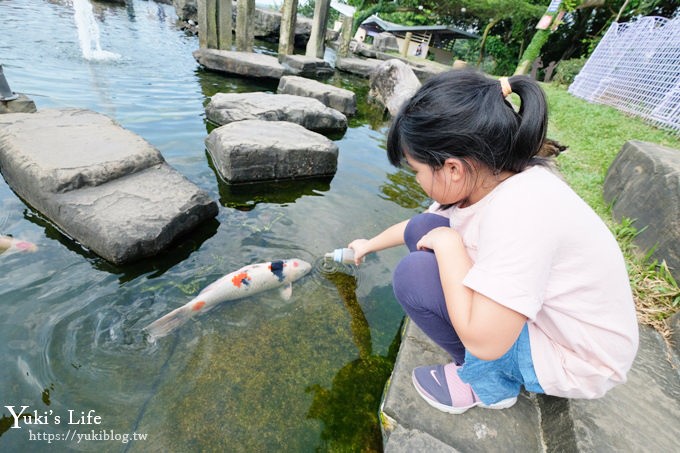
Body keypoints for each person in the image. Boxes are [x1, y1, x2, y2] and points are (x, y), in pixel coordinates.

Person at [348, 69, 639, 414]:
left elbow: (485, 341)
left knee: (415, 275)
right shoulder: (491, 176)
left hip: (576, 356)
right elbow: (418, 227)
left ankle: (487, 384)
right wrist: (368, 244)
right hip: (549, 322)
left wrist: (450, 247)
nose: (417, 181)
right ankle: (492, 365)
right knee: (427, 228)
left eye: (416, 171)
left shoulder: (521, 211)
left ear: (453, 169)